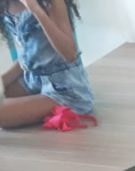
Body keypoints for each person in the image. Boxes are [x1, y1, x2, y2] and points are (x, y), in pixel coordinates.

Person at [1, 0, 92, 129]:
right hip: (32, 80)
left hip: (64, 88)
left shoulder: (52, 2)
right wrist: (2, 81)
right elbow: (29, 55)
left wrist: (36, 10)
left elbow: (70, 54)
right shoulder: (6, 4)